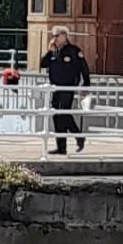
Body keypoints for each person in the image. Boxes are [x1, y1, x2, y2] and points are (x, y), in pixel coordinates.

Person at [39, 26, 90, 155]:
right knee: (56, 115)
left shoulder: (74, 51)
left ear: (64, 36)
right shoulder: (54, 52)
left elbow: (84, 69)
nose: (54, 38)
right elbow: (43, 64)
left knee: (64, 113)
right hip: (56, 87)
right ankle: (61, 147)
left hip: (68, 86)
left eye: (57, 36)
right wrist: (49, 51)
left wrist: (85, 86)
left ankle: (79, 136)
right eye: (53, 36)